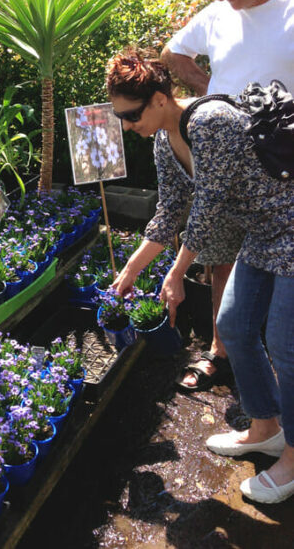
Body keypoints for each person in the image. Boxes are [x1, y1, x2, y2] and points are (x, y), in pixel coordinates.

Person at [106, 49, 294, 504]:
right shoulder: (162, 141)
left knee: (285, 344)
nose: (128, 126)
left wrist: (175, 273)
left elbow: (207, 207)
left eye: (131, 115)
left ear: (157, 98)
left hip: (290, 224)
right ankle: (265, 426)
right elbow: (171, 208)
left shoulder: (211, 122)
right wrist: (131, 271)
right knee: (233, 327)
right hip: (262, 234)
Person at [159, 0, 294, 390]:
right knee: (221, 262)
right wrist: (212, 93)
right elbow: (171, 55)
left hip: (280, 178)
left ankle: (276, 364)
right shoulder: (218, 15)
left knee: (281, 275)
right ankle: (223, 351)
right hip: (221, 168)